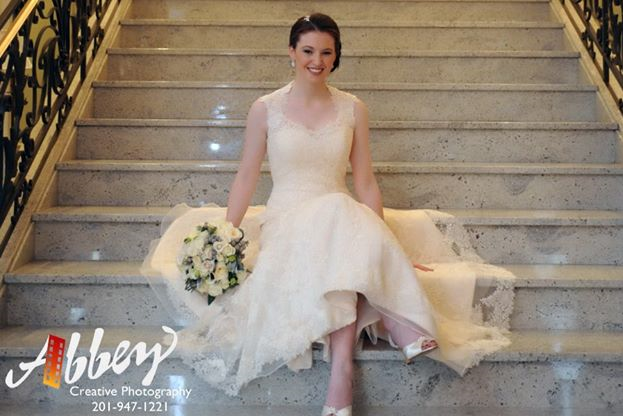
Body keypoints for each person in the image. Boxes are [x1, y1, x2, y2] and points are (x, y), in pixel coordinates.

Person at [140, 13, 516, 416]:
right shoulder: (265, 109)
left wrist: (385, 245)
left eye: (326, 52)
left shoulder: (354, 108)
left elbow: (365, 182)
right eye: (307, 51)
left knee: (339, 214)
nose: (316, 61)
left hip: (341, 218)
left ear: (336, 56)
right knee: (339, 215)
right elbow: (246, 177)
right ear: (291, 52)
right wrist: (225, 237)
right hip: (287, 220)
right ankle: (396, 325)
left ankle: (341, 375)